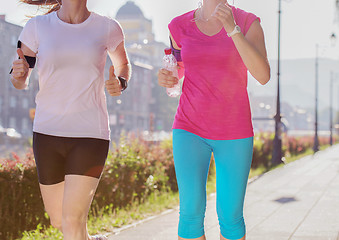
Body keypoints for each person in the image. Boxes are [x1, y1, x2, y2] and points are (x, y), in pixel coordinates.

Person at [10, 0, 131, 239]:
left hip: (90, 134)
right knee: (58, 220)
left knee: (72, 220)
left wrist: (120, 82)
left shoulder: (107, 27)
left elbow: (123, 65)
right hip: (47, 133)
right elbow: (19, 80)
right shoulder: (36, 27)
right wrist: (19, 75)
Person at [157, 0, 270, 239]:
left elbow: (263, 75)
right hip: (189, 128)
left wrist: (233, 30)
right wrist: (168, 78)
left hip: (234, 132)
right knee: (190, 214)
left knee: (230, 217)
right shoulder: (178, 26)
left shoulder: (248, 22)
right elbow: (177, 70)